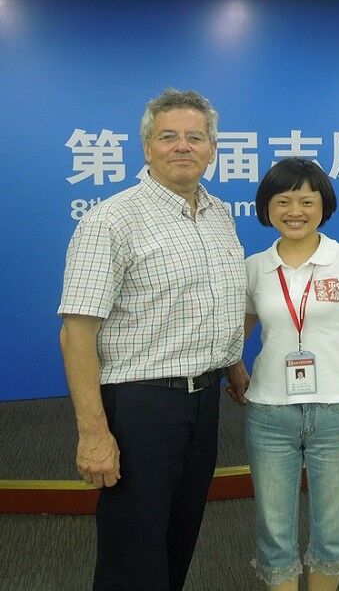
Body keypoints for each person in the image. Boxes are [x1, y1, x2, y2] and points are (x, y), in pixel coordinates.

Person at [58, 88, 247, 591]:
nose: (183, 146)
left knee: (179, 538)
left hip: (205, 401)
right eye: (169, 136)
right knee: (133, 552)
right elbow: (76, 333)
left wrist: (234, 365)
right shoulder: (111, 220)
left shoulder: (218, 213)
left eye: (195, 137)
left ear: (212, 148)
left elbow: (214, 302)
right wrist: (93, 433)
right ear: (146, 147)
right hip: (141, 407)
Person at [226, 158, 339, 591]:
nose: (294, 211)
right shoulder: (255, 267)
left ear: (323, 205)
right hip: (269, 415)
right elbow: (235, 334)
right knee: (274, 532)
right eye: (283, 201)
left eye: (306, 201)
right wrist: (234, 366)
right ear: (267, 207)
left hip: (337, 413)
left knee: (331, 531)